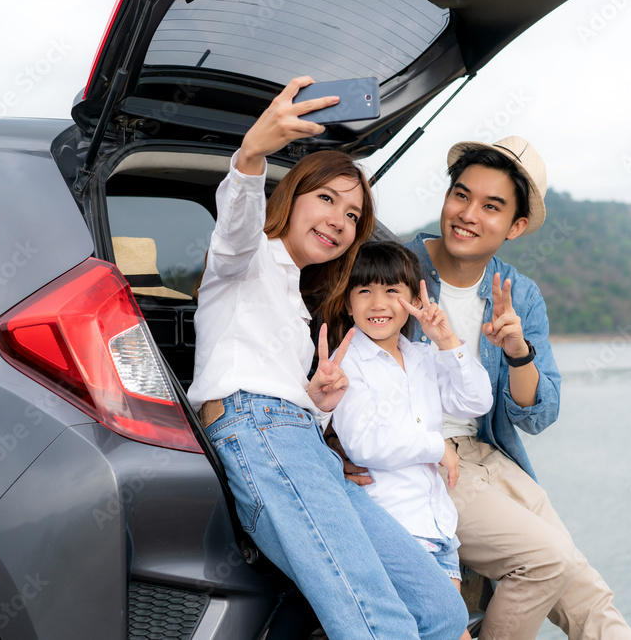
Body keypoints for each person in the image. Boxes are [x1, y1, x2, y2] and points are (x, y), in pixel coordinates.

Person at [187, 76, 468, 640]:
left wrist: (316, 404)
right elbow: (236, 228)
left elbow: (288, 398)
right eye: (327, 199)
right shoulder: (245, 262)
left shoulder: (296, 299)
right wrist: (251, 154)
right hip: (260, 435)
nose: (339, 220)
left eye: (352, 215)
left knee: (443, 610)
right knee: (374, 620)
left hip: (300, 442)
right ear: (290, 196)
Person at [338, 136, 631, 640]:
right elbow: (335, 362)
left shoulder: (517, 292)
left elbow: (538, 414)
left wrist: (517, 349)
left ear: (516, 226)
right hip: (432, 463)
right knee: (547, 560)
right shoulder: (394, 270)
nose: (468, 214)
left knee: (588, 593)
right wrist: (332, 444)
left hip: (494, 454)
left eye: (491, 206)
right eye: (461, 195)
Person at [332, 240, 494, 640]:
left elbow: (476, 400)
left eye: (392, 291)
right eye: (364, 291)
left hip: (437, 527)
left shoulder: (422, 356)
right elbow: (365, 444)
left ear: (412, 299)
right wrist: (438, 447)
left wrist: (446, 339)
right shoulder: (347, 361)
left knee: (449, 632)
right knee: (450, 630)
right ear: (348, 303)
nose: (378, 303)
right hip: (395, 526)